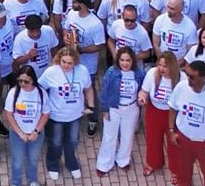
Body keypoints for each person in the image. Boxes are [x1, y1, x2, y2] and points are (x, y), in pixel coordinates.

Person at [168, 60, 205, 186]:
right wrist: (171, 130)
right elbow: (173, 108)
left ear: (203, 77)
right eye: (187, 74)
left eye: (192, 76)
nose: (188, 79)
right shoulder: (181, 87)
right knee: (183, 171)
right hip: (183, 140)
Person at [39, 46, 93, 181]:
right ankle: (53, 164)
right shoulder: (51, 72)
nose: (66, 65)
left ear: (75, 61)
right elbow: (40, 90)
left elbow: (88, 89)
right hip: (56, 116)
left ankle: (71, 162)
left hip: (75, 115)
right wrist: (43, 109)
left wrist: (91, 106)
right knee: (55, 142)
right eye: (63, 62)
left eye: (70, 63)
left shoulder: (82, 70)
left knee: (73, 141)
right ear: (59, 59)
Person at [95, 48, 144, 176]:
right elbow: (105, 91)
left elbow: (142, 90)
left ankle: (123, 160)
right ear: (118, 60)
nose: (125, 63)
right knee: (109, 136)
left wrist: (141, 99)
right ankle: (104, 164)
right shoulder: (112, 72)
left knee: (128, 136)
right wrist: (105, 110)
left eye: (128, 60)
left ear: (133, 61)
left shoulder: (139, 73)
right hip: (114, 108)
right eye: (122, 60)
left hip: (131, 108)